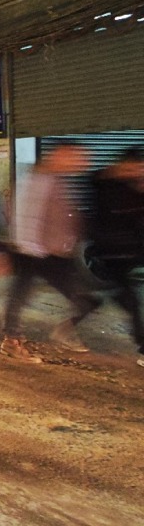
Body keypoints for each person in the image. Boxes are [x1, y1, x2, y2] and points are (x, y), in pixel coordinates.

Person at [2, 144, 102, 363]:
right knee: (20, 295)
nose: (80, 163)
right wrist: (28, 248)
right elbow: (25, 218)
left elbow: (62, 217)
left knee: (86, 300)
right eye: (75, 158)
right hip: (34, 253)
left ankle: (61, 332)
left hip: (51, 254)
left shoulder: (55, 181)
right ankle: (12, 341)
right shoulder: (35, 181)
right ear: (59, 156)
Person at [89, 147, 144, 369]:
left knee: (127, 299)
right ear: (121, 166)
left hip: (134, 252)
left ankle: (87, 301)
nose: (136, 172)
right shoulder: (106, 186)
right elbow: (95, 180)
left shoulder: (135, 188)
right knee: (132, 302)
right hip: (112, 255)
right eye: (131, 168)